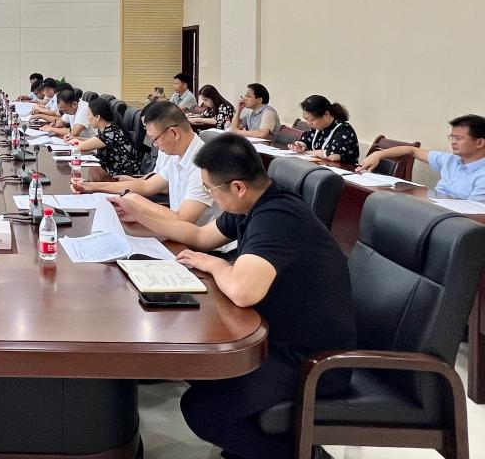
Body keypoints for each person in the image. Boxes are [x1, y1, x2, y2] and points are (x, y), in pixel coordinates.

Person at [174, 134, 355, 459]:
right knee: (200, 370)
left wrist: (215, 264)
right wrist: (136, 210)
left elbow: (243, 292)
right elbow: (201, 237)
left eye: (211, 190)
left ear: (237, 187)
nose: (211, 198)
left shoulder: (277, 217)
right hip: (280, 339)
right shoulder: (253, 203)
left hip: (314, 362)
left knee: (204, 410)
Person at [74, 102, 219, 227]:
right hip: (176, 232)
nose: (155, 145)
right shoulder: (178, 155)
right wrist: (92, 186)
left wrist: (134, 201)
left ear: (174, 133)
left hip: (198, 244)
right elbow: (146, 186)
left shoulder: (203, 164)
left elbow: (183, 219)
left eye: (154, 139)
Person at [358, 114, 485, 200]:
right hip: (433, 208)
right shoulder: (450, 160)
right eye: (451, 137)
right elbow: (412, 150)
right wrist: (378, 154)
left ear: (479, 142)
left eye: (458, 138)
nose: (452, 142)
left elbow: (474, 215)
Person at [64, 97, 138, 176]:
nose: (88, 118)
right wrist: (76, 138)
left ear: (98, 117)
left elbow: (80, 146)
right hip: (110, 171)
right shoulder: (107, 128)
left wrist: (72, 141)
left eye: (89, 115)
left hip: (122, 175)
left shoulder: (110, 132)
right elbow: (94, 141)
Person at [289, 95, 360, 165]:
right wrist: (301, 146)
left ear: (326, 114)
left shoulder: (344, 129)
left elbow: (334, 155)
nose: (309, 123)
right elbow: (307, 140)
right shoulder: (318, 128)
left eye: (312, 120)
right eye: (306, 119)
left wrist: (308, 152)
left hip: (344, 169)